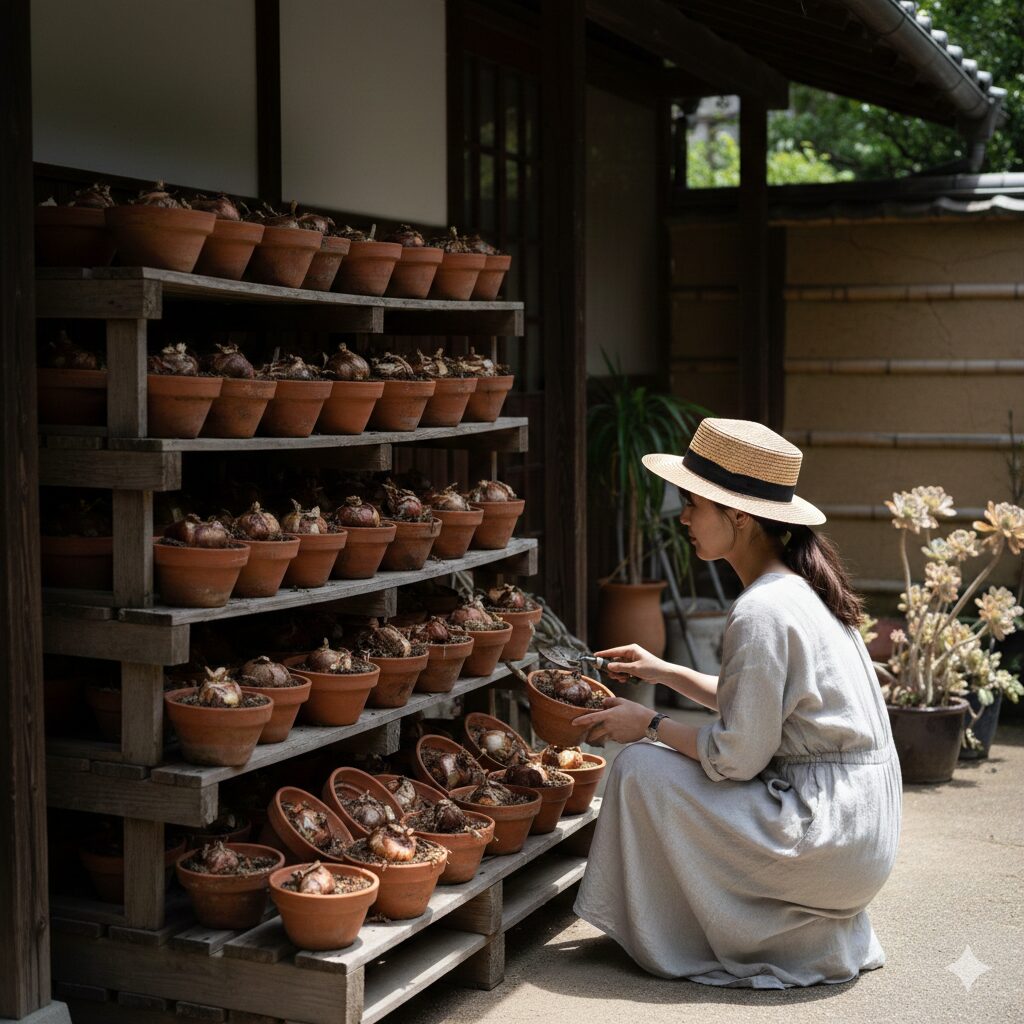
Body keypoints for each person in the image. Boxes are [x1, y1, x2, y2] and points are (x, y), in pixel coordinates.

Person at [571, 417, 902, 988]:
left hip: (825, 838)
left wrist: (647, 722)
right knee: (660, 762)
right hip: (860, 836)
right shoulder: (800, 592)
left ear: (739, 515)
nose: (683, 518)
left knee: (642, 770)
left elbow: (736, 756)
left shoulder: (762, 610)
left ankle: (668, 935)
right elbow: (762, 706)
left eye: (693, 504)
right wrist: (664, 671)